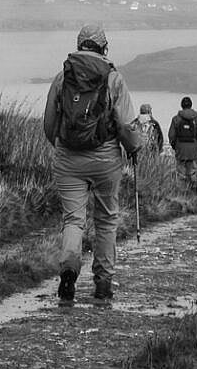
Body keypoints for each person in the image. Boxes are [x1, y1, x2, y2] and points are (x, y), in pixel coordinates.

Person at [43, 24, 140, 303]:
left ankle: (70, 270)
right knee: (107, 219)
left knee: (73, 219)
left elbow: (49, 123)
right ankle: (103, 283)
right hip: (106, 158)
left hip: (68, 159)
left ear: (79, 44)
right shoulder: (114, 79)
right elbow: (125, 124)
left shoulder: (62, 78)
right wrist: (134, 147)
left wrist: (62, 147)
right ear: (103, 47)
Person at [168, 96, 197, 192]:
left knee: (181, 172)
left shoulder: (176, 119)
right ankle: (194, 191)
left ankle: (183, 193)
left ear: (181, 105)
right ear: (191, 105)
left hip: (180, 148)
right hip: (193, 148)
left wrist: (174, 145)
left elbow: (171, 135)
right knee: (193, 170)